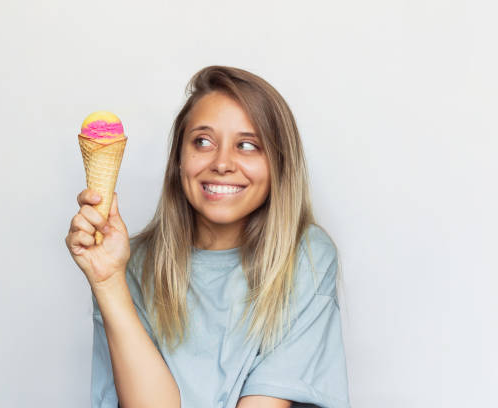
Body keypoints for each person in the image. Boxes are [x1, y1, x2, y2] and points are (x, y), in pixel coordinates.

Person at [65, 66, 350, 408]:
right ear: (179, 161)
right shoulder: (125, 263)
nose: (222, 163)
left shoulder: (306, 259)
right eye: (203, 141)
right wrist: (109, 281)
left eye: (247, 145)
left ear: (279, 165)